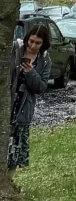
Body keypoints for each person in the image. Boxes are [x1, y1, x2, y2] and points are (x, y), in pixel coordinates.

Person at [9, 20, 52, 173]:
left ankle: (9, 181)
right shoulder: (15, 49)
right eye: (31, 41)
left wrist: (31, 73)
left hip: (24, 107)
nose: (33, 46)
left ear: (43, 44)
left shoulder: (45, 60)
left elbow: (41, 87)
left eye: (38, 43)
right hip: (8, 103)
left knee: (16, 147)